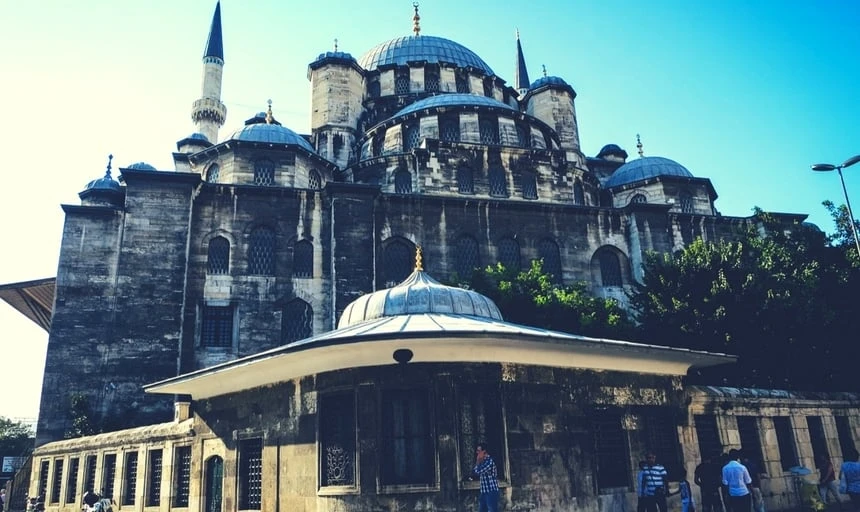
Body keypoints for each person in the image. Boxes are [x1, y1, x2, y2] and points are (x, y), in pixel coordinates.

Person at [473, 442, 500, 512]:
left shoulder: (489, 461)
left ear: (484, 452)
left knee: (492, 510)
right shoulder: (483, 461)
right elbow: (474, 471)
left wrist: (477, 461)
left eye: (479, 451)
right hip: (484, 491)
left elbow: (477, 471)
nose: (477, 453)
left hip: (491, 491)